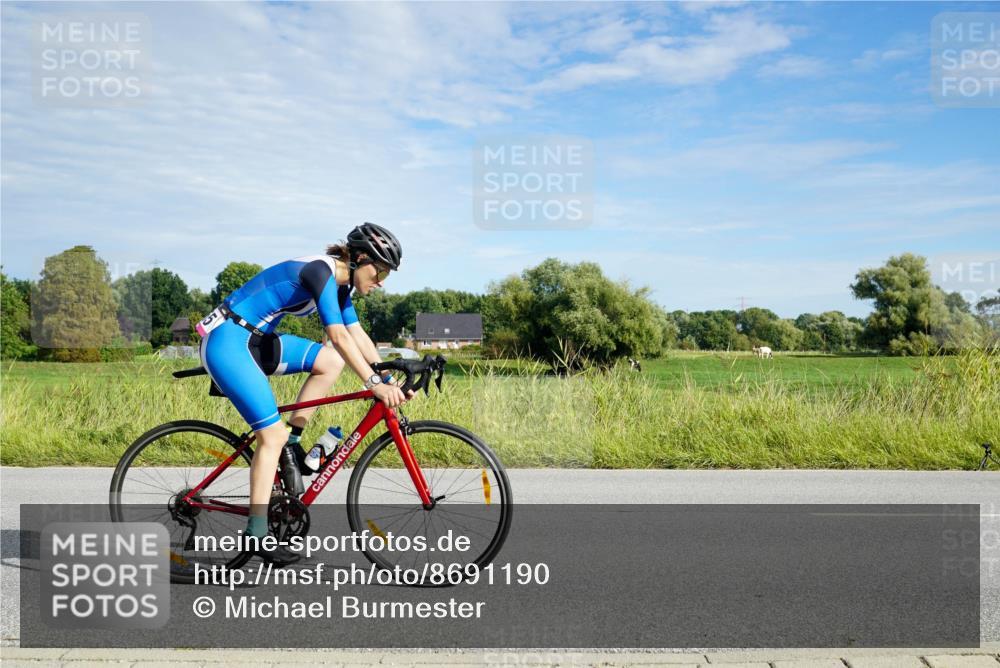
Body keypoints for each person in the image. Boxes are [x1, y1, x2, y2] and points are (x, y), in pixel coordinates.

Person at [197, 223, 410, 565]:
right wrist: (374, 383)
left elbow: (357, 335)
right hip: (228, 341)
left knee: (329, 363)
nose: (382, 280)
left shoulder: (341, 288)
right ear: (359, 258)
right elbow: (338, 335)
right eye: (380, 270)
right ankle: (256, 533)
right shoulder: (321, 273)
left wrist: (387, 376)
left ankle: (292, 447)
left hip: (255, 339)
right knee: (270, 435)